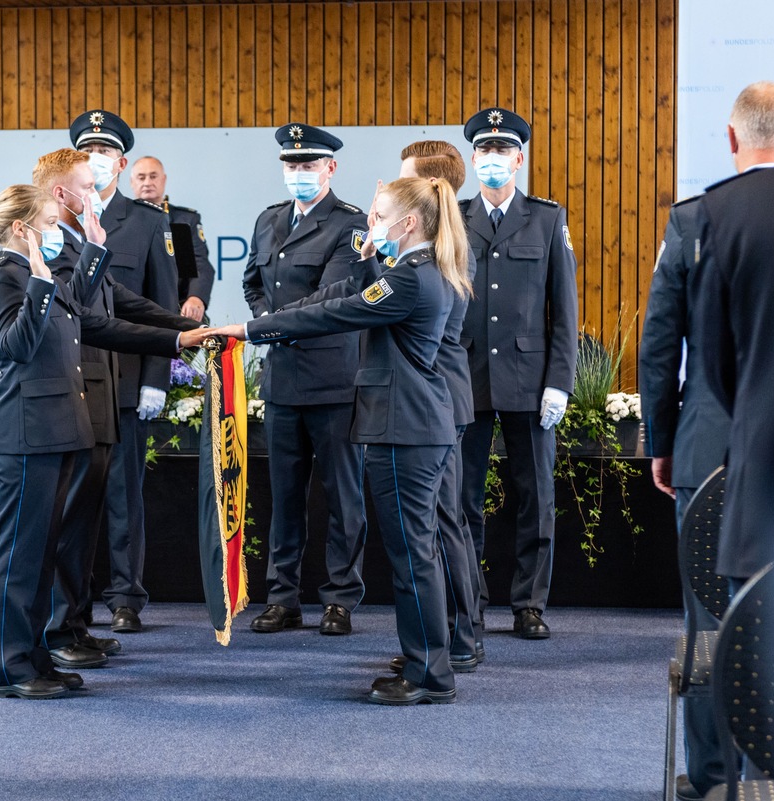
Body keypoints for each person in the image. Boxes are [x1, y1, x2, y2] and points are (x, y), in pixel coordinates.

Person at [210, 176, 471, 704]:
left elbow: (336, 312)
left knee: (412, 555)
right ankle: (429, 657)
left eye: (378, 216)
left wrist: (248, 331)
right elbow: (345, 296)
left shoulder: (409, 280)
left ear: (409, 223)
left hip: (406, 428)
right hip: (416, 424)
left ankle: (428, 674)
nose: (369, 225)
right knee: (415, 551)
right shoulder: (418, 272)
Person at [0, 183, 205, 699]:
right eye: (51, 224)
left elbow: (92, 318)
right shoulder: (3, 280)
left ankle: (33, 656)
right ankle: (6, 668)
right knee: (17, 556)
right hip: (25, 435)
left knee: (40, 556)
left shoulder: (45, 280)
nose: (58, 232)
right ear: (21, 231)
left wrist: (98, 251)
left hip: (55, 433)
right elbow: (16, 346)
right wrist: (37, 281)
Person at [640, 80, 774, 801]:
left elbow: (661, 339)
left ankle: (710, 780)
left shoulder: (697, 219)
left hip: (710, 445)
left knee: (710, 622)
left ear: (733, 140)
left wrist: (662, 439)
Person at [33, 149, 201, 668]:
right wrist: (175, 342)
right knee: (66, 521)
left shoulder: (85, 241)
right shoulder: (50, 246)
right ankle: (57, 630)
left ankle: (76, 624)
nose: (96, 191)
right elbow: (91, 320)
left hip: (103, 395)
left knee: (84, 521)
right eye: (87, 183)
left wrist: (184, 328)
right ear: (61, 194)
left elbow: (122, 301)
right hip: (72, 397)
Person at [241, 123, 374, 637]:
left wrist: (269, 326)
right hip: (282, 381)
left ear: (330, 168)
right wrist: (265, 320)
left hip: (334, 379)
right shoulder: (268, 220)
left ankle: (340, 598)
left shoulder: (351, 224)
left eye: (308, 166)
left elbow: (335, 293)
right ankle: (283, 597)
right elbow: (252, 281)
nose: (299, 174)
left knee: (344, 497)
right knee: (285, 496)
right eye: (291, 166)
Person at [693, 51, 774, 596]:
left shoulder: (724, 209)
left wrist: (752, 401)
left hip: (766, 445)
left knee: (761, 643)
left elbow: (713, 350)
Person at [456, 107, 579, 640]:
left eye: (502, 151)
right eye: (484, 151)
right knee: (463, 497)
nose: (492, 160)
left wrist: (560, 381)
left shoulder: (547, 218)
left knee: (536, 495)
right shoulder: (455, 218)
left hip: (530, 379)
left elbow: (564, 310)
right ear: (472, 158)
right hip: (466, 375)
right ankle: (469, 598)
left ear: (520, 158)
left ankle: (529, 602)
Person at [69, 110, 180, 634]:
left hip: (128, 380)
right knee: (72, 495)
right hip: (72, 380)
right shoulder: (58, 215)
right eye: (87, 153)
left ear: (122, 161)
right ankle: (73, 599)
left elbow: (163, 303)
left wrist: (158, 376)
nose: (97, 161)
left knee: (123, 495)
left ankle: (125, 596)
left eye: (106, 153)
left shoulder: (148, 221)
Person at [388, 140, 482, 672]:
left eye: (406, 179)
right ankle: (452, 635)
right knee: (444, 524)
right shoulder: (447, 231)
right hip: (442, 395)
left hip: (435, 396)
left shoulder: (440, 235)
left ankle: (461, 638)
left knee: (444, 525)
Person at [129, 155, 216, 320]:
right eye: (141, 177)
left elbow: (199, 265)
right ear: (132, 182)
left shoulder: (183, 221)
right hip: (130, 310)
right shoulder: (121, 221)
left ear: (164, 179)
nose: (147, 182)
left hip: (174, 308)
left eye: (153, 176)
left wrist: (196, 298)